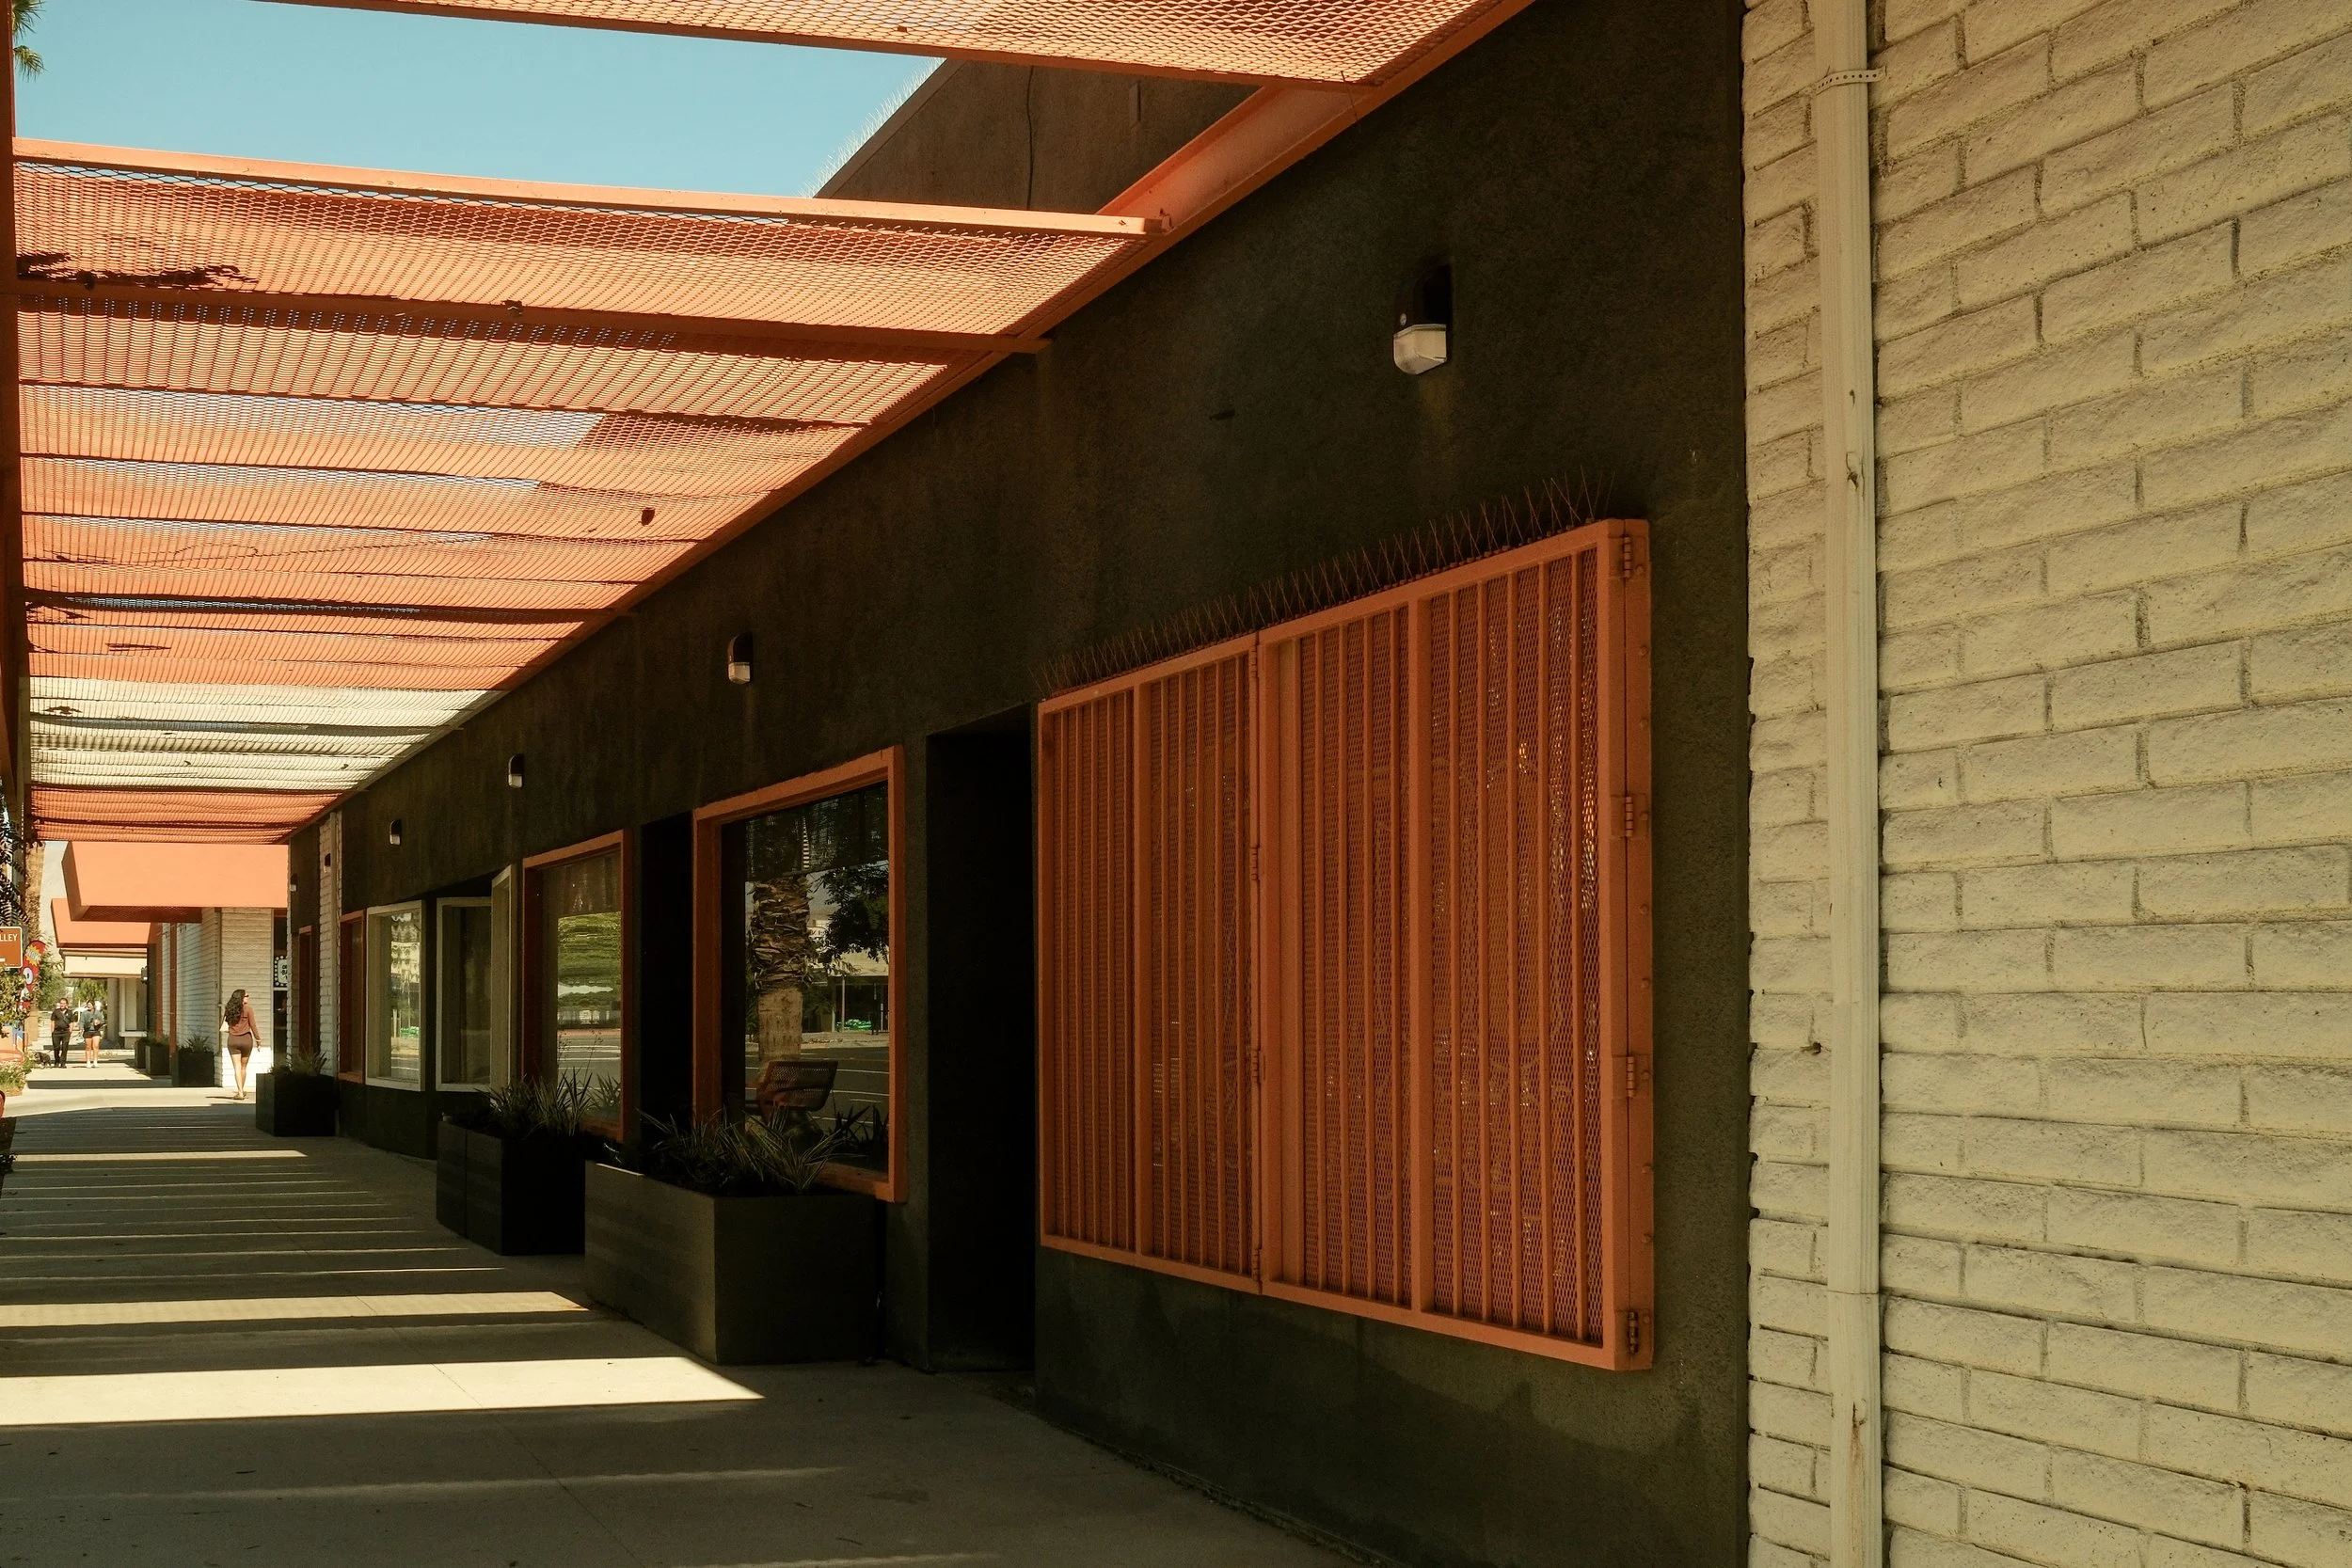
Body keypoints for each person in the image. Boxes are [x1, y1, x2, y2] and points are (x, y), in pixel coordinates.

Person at [223, 989, 260, 1100]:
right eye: (246, 996)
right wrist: (258, 1039)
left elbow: (225, 1023)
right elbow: (253, 1025)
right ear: (242, 998)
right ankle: (241, 1091)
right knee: (243, 1067)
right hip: (246, 1040)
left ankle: (240, 1092)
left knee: (237, 1067)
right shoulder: (248, 1009)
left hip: (233, 1040)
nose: (248, 997)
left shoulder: (229, 1009)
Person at [48, 997, 71, 1069]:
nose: (62, 1005)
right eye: (61, 1003)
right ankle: (57, 1061)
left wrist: (70, 1031)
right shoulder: (56, 1012)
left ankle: (63, 1062)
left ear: (66, 1004)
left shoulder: (70, 1012)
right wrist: (52, 1031)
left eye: (64, 1003)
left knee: (65, 1047)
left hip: (65, 1032)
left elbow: (72, 1022)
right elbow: (52, 1021)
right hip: (56, 1032)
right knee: (56, 1047)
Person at [78, 997, 100, 1067]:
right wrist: (81, 1028)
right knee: (88, 1047)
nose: (89, 1006)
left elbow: (102, 1021)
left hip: (96, 1031)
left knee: (96, 1046)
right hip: (87, 1031)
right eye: (88, 1005)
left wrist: (98, 1022)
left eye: (90, 1005)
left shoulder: (98, 1013)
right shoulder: (84, 1013)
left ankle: (95, 1061)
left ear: (93, 1005)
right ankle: (88, 1061)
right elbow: (81, 1021)